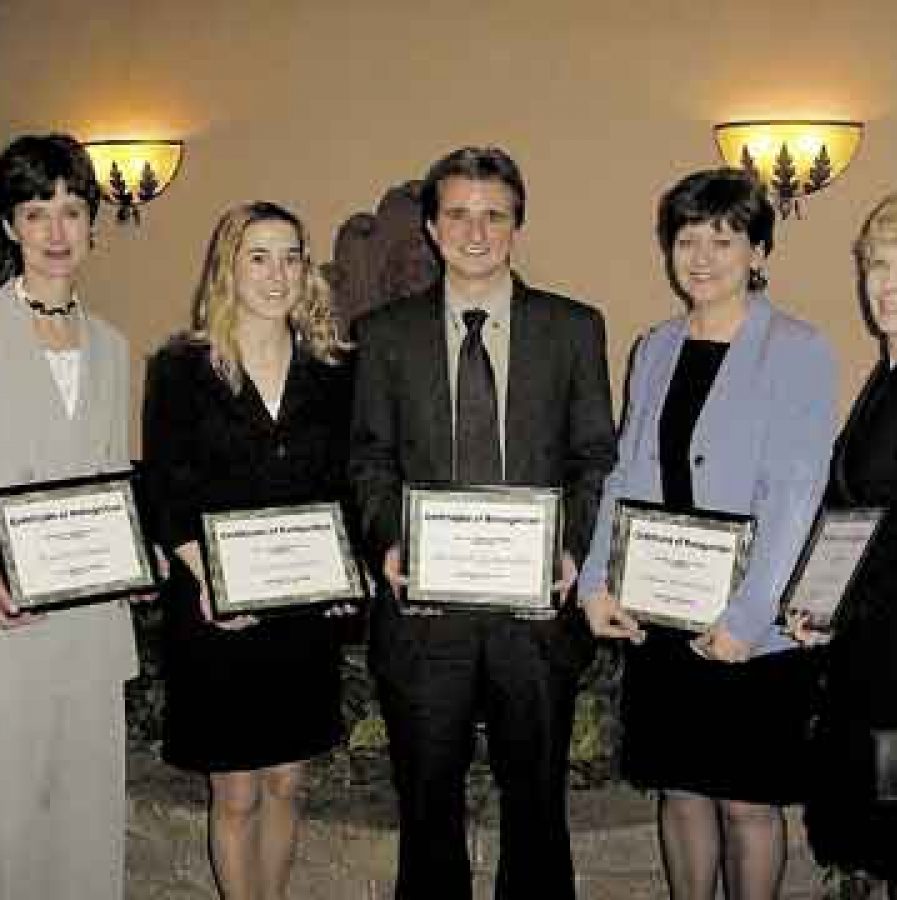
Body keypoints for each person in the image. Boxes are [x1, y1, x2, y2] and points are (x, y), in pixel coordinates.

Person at [349, 145, 617, 900]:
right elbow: (368, 457)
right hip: (423, 616)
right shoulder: (385, 335)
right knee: (427, 812)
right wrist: (389, 543)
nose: (476, 231)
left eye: (494, 215)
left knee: (537, 812)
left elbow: (595, 455)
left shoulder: (572, 328)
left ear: (516, 227)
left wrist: (570, 548)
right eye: (459, 214)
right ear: (432, 228)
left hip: (535, 618)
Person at [579, 168, 836, 900]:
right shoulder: (654, 347)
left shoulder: (797, 348)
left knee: (748, 803)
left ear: (758, 251)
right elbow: (625, 474)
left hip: (752, 625)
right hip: (664, 611)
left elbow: (795, 496)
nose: (701, 257)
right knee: (682, 792)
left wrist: (747, 622)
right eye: (687, 239)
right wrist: (598, 582)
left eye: (724, 240)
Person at [142, 202, 353, 900]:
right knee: (234, 795)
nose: (277, 272)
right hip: (213, 611)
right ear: (228, 266)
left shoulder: (333, 371)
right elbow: (166, 495)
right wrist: (214, 584)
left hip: (300, 613)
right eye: (258, 256)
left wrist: (349, 570)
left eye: (291, 256)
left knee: (288, 785)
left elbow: (347, 490)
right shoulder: (180, 369)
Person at [0, 133, 137, 899]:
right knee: (9, 823)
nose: (56, 233)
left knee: (87, 828)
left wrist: (134, 559)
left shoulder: (115, 348)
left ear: (92, 225)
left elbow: (112, 480)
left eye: (72, 211)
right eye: (35, 211)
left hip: (90, 621)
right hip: (7, 625)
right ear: (9, 226)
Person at [801, 192, 897, 897]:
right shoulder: (886, 375)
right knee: (883, 823)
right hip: (872, 657)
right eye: (878, 265)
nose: (889, 284)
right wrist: (817, 600)